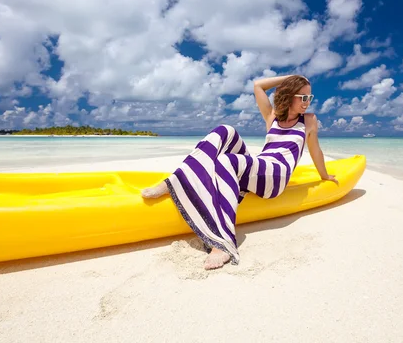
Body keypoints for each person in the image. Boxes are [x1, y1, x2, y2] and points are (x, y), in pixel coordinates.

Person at [141, 74, 337, 270]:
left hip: (276, 176)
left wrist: (325, 176)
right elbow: (258, 86)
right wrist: (292, 78)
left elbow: (315, 150)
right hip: (260, 165)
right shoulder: (273, 117)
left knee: (227, 161)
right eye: (303, 97)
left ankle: (222, 243)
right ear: (288, 95)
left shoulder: (309, 121)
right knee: (225, 130)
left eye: (309, 98)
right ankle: (176, 180)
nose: (307, 102)